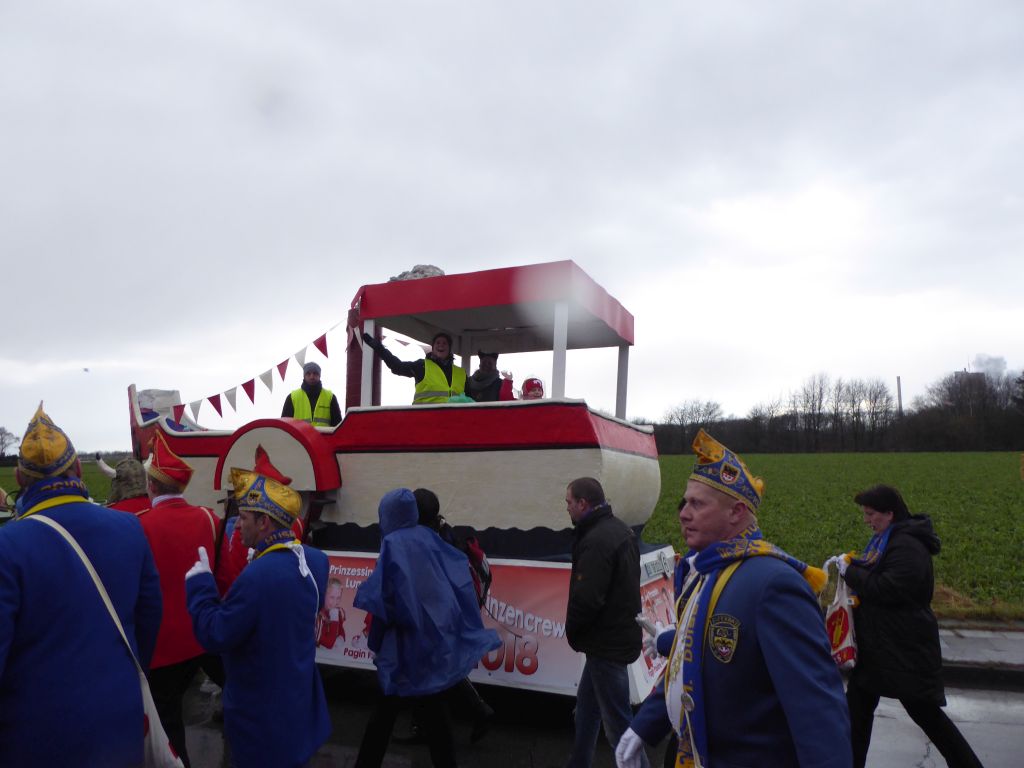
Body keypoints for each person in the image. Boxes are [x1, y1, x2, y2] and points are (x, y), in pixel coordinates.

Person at [616, 429, 851, 768]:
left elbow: (818, 713)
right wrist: (644, 726)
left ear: (736, 512)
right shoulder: (703, 572)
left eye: (697, 504)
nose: (683, 513)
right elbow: (688, 666)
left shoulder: (774, 584)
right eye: (685, 502)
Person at [0, 404, 162, 766]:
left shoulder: (7, 546)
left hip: (36, 740)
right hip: (121, 721)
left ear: (20, 478)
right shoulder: (129, 528)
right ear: (77, 468)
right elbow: (149, 618)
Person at [186, 445, 331, 768]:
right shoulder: (317, 561)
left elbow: (216, 634)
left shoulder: (257, 576)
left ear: (264, 522)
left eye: (244, 517)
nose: (237, 525)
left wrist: (200, 586)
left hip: (262, 716)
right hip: (298, 703)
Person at [352, 488, 501, 767]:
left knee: (382, 719)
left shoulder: (393, 545)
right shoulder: (432, 539)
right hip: (430, 646)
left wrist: (376, 640)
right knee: (435, 716)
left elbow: (384, 600)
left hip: (401, 650)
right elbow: (453, 585)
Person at [839, 485, 984, 768]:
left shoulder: (907, 545)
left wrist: (851, 572)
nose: (867, 520)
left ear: (890, 514)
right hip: (881, 648)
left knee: (927, 716)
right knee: (856, 712)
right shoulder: (889, 540)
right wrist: (853, 563)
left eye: (871, 514)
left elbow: (888, 588)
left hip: (903, 650)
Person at [138, 432, 220, 767]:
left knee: (169, 728)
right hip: (203, 636)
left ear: (152, 485)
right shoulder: (209, 518)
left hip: (163, 646)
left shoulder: (139, 525)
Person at [564, 476, 646, 768]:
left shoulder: (596, 541)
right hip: (616, 636)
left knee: (619, 727)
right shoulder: (620, 530)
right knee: (586, 711)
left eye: (569, 502)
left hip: (605, 644)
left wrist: (572, 631)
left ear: (583, 503)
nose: (567, 508)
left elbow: (587, 599)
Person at [362, 330, 467, 404]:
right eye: (438, 343)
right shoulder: (422, 366)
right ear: (433, 348)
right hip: (424, 421)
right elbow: (397, 366)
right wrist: (378, 347)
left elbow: (471, 396)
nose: (441, 345)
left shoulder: (461, 373)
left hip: (454, 422)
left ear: (449, 349)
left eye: (444, 343)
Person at [282, 361, 342, 427]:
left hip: (323, 434)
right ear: (304, 376)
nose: (312, 377)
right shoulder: (292, 397)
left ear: (319, 376)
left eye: (315, 373)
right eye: (308, 373)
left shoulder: (330, 397)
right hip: (299, 434)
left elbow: (338, 426)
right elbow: (284, 426)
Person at [316, 576, 347, 649]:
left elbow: (341, 632)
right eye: (332, 597)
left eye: (338, 598)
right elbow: (329, 644)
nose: (335, 602)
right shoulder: (318, 614)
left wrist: (340, 639)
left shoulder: (338, 612)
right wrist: (334, 619)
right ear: (324, 595)